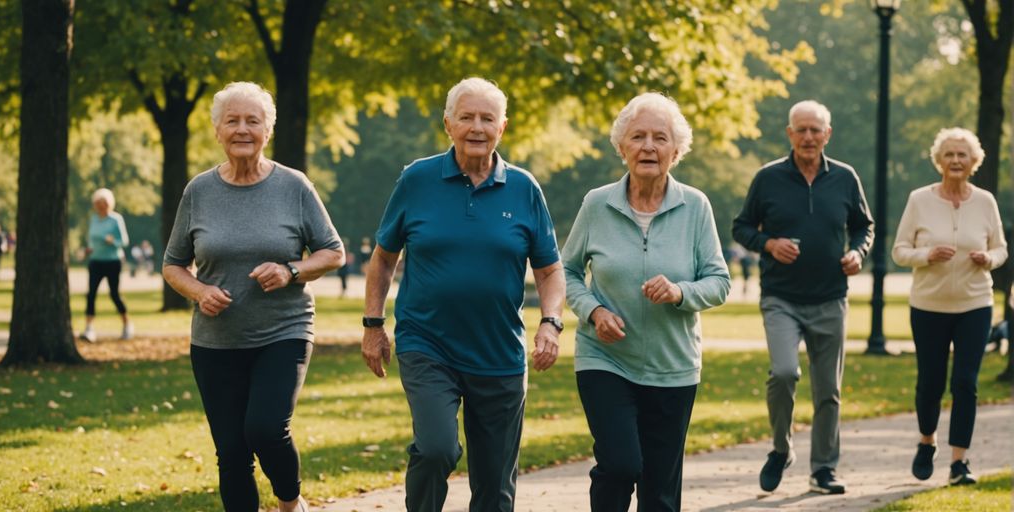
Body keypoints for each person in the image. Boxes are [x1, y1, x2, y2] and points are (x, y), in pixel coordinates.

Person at [361, 77, 565, 512]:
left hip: (499, 354)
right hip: (427, 344)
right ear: (449, 124)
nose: (477, 126)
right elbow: (382, 258)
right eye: (467, 117)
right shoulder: (417, 180)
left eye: (487, 118)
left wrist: (550, 322)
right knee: (436, 448)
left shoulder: (524, 187)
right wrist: (373, 325)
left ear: (502, 127)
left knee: (494, 487)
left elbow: (549, 270)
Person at [162, 81, 345, 512]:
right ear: (217, 130)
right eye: (233, 121)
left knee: (265, 429)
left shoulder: (294, 186)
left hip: (283, 331)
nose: (242, 129)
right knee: (232, 454)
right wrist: (200, 290)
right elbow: (173, 264)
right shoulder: (199, 191)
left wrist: (291, 270)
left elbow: (333, 252)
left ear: (268, 129)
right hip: (216, 341)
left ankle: (289, 501)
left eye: (253, 120)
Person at [562, 92, 730, 511]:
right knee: (619, 466)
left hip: (673, 368)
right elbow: (564, 273)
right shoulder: (597, 204)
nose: (649, 147)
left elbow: (719, 281)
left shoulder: (696, 206)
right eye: (638, 137)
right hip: (605, 359)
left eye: (660, 138)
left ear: (677, 150)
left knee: (660, 492)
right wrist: (594, 311)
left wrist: (680, 292)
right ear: (622, 147)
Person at [732, 100, 874, 495]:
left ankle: (824, 469)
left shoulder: (845, 178)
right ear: (790, 134)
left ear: (828, 134)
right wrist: (769, 244)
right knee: (783, 373)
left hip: (830, 298)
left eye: (816, 130)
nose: (809, 137)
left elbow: (864, 227)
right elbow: (742, 227)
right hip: (781, 298)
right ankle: (780, 449)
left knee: (828, 390)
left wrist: (857, 253)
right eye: (802, 130)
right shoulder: (768, 178)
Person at [891, 127, 1008, 486]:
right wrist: (926, 255)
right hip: (928, 305)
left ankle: (960, 462)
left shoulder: (986, 201)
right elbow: (898, 251)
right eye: (949, 155)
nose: (956, 160)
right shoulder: (919, 200)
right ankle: (927, 441)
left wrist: (987, 258)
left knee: (965, 382)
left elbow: (1002, 249)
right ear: (938, 160)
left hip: (975, 303)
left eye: (962, 155)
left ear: (974, 162)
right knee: (931, 382)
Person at [80, 188, 133, 342]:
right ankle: (89, 329)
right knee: (91, 294)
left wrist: (112, 241)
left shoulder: (116, 219)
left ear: (109, 204)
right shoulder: (93, 219)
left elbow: (124, 242)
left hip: (112, 261)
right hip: (95, 261)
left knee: (114, 294)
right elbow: (92, 240)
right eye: (97, 204)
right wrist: (88, 250)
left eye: (102, 203)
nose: (100, 206)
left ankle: (127, 325)